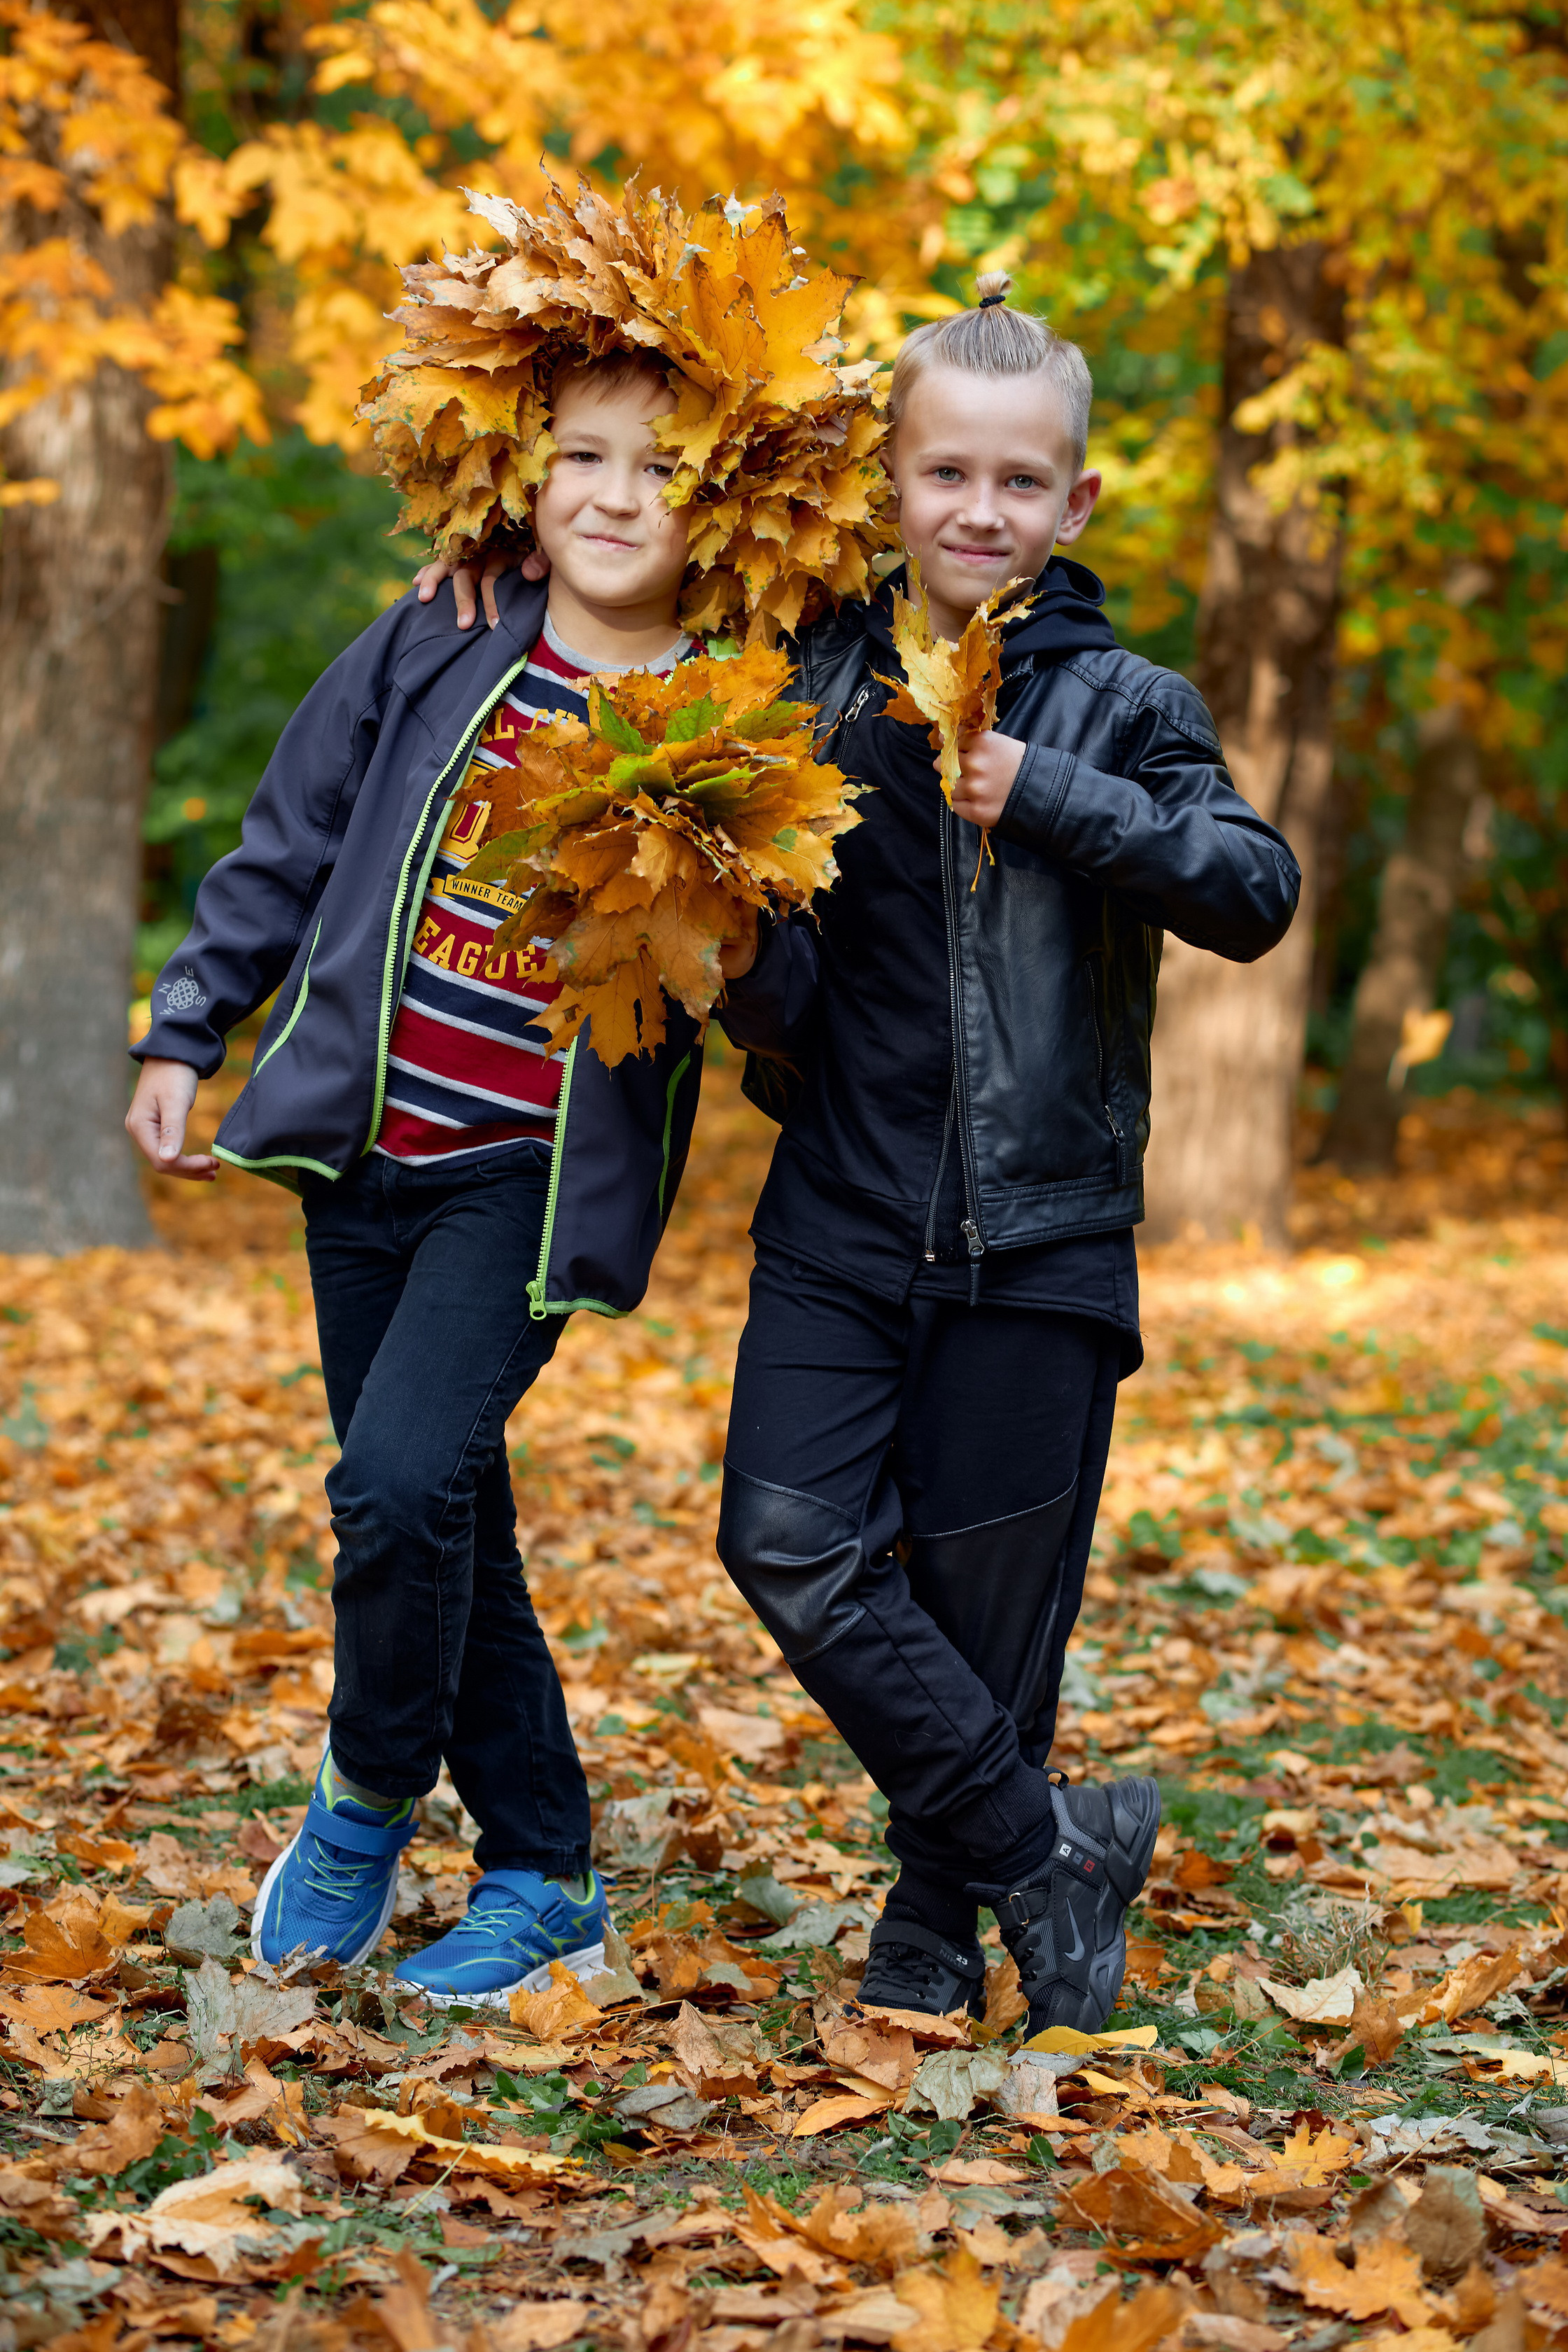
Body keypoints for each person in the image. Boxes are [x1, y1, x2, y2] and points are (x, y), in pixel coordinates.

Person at [124, 180, 888, 2004]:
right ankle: (544, 1870)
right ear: (524, 467)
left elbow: (782, 1006)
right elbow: (289, 837)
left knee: (393, 1491)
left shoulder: (733, 709)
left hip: (521, 1183)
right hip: (352, 1147)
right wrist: (183, 1026)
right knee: (444, 1505)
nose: (620, 493)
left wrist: (725, 907)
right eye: (587, 453)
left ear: (731, 504)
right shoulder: (443, 632)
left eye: (665, 467)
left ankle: (371, 1789)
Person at [707, 276, 1303, 2032]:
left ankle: (933, 1924)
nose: (979, 511)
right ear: (887, 481)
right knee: (787, 1541)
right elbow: (800, 988)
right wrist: (741, 959)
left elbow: (1251, 890)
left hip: (1042, 1232)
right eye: (944, 473)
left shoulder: (1127, 703)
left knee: (987, 1609)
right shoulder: (809, 687)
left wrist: (1045, 789)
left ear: (1076, 503)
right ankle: (1048, 1845)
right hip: (841, 1208)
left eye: (1019, 482)